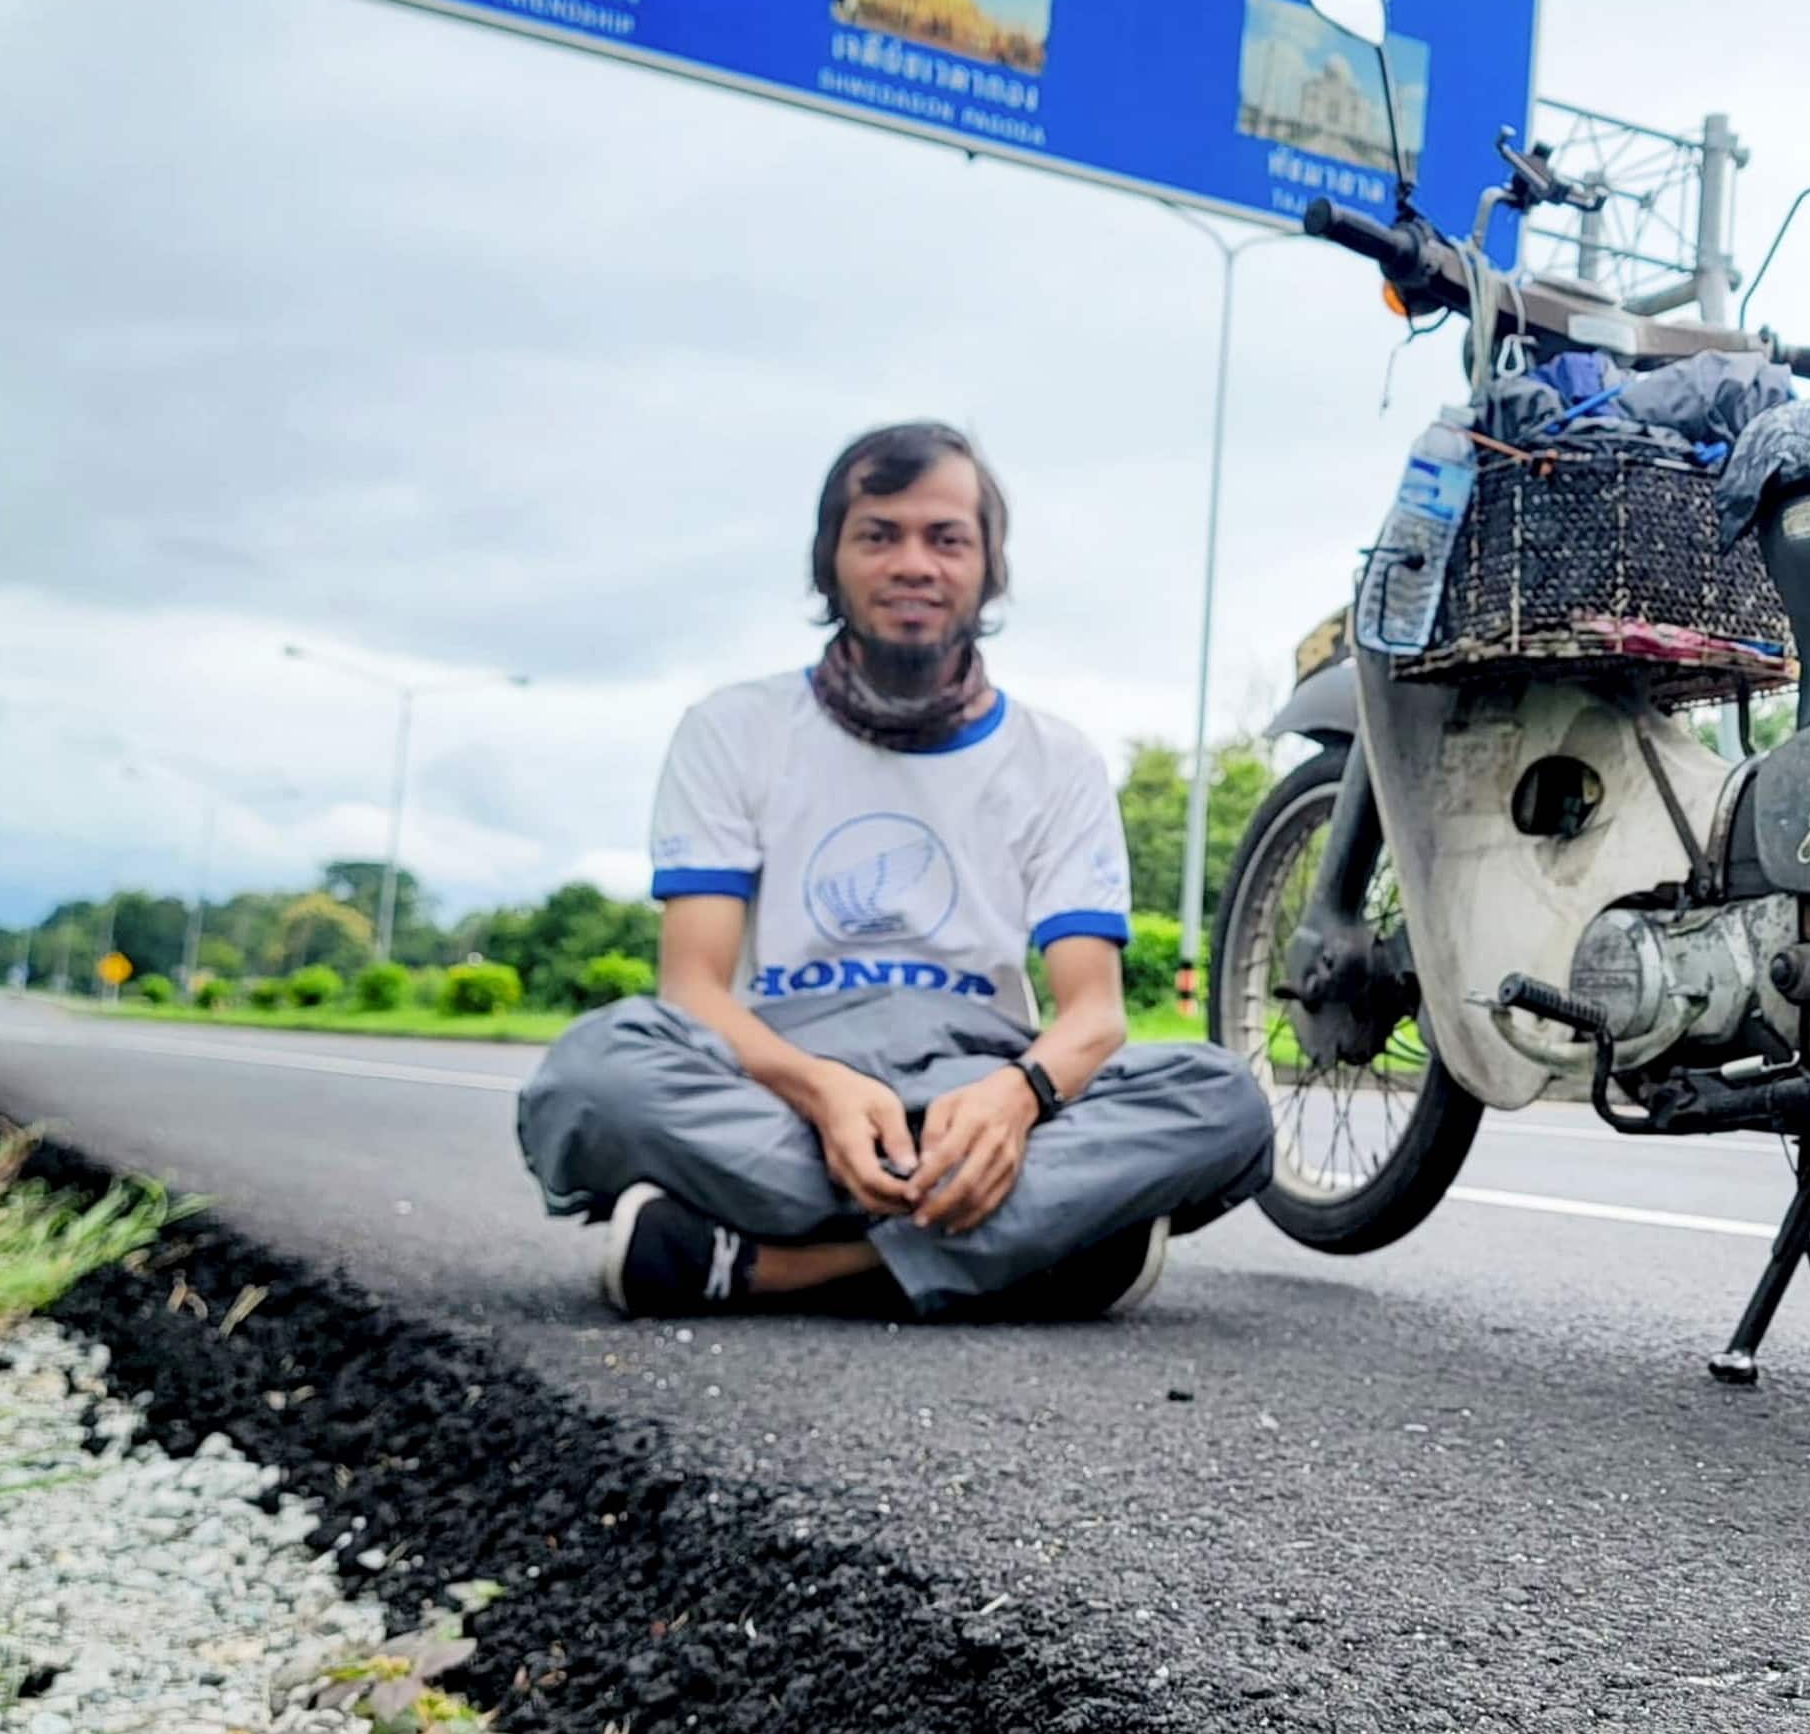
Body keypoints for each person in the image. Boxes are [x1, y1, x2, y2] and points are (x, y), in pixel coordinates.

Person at [516, 420, 1276, 1319]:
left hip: (979, 1090)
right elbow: (693, 988)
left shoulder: (1056, 759)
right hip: (783, 1087)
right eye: (879, 535)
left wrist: (1019, 1095)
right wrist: (824, 1089)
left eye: (945, 537)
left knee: (1225, 1101)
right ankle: (1045, 1241)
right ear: (830, 559)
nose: (914, 563)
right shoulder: (731, 729)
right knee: (588, 1078)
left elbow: (1093, 1011)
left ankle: (775, 1265)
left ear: (989, 565)